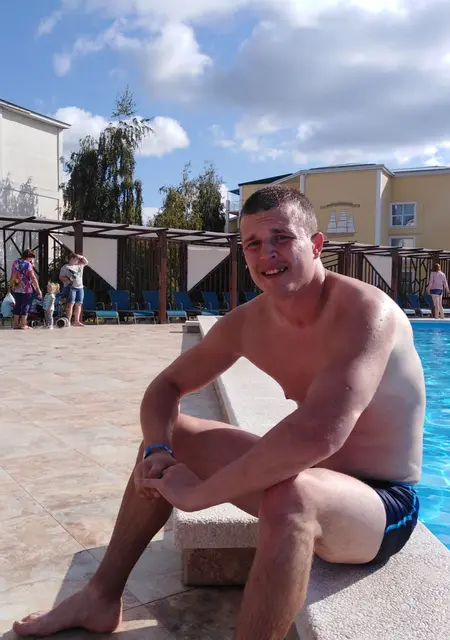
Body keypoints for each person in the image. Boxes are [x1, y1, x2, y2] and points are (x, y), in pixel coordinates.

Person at [13, 187, 425, 640]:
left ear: (316, 244)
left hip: (381, 505)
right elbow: (165, 389)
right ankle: (101, 596)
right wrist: (158, 449)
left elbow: (317, 434)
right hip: (311, 477)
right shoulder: (249, 323)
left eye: (282, 238)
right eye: (253, 244)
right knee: (173, 439)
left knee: (293, 495)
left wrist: (199, 494)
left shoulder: (366, 312)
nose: (267, 254)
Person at [9, 249, 42, 330]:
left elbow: (12, 274)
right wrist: (38, 289)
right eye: (32, 257)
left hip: (16, 287)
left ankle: (16, 324)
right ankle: (23, 324)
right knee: (26, 305)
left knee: (17, 305)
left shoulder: (15, 262)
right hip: (26, 289)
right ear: (29, 257)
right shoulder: (27, 264)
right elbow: (33, 277)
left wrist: (11, 286)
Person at [59, 253, 88, 327]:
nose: (78, 260)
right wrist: (68, 280)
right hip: (71, 287)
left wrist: (80, 256)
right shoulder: (65, 267)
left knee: (79, 304)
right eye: (76, 259)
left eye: (78, 259)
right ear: (71, 258)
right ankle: (68, 321)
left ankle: (76, 321)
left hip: (80, 287)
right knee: (70, 304)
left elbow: (86, 262)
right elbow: (61, 277)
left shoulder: (80, 265)